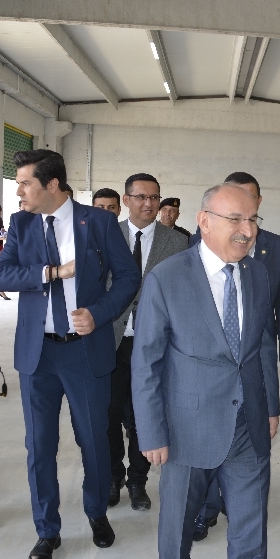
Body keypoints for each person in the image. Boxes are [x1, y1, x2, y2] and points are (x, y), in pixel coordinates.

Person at [0, 149, 140, 559]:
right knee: (39, 446)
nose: (19, 191)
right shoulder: (20, 223)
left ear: (52, 184)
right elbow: (1, 275)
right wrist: (50, 272)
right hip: (37, 355)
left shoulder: (98, 222)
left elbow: (128, 276)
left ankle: (96, 512)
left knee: (93, 439)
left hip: (83, 352)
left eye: (25, 183)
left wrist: (99, 313)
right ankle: (47, 530)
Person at [133, 183, 277, 559]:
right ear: (204, 222)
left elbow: (263, 345)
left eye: (253, 220)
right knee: (176, 534)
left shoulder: (257, 274)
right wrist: (152, 432)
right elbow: (146, 362)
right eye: (236, 219)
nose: (247, 230)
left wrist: (270, 407)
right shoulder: (167, 278)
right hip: (186, 431)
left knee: (251, 537)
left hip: (247, 427)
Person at [192, 171, 280, 541]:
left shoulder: (277, 249)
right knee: (208, 443)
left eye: (250, 208)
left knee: (249, 448)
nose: (244, 222)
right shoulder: (198, 245)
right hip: (209, 371)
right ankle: (205, 509)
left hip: (256, 363)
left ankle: (242, 508)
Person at [107, 174, 187, 511]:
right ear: (126, 200)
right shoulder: (106, 235)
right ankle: (113, 477)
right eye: (140, 197)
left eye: (154, 197)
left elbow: (181, 295)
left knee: (145, 414)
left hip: (154, 345)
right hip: (111, 340)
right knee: (109, 414)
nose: (148, 203)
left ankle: (138, 481)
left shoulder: (177, 243)